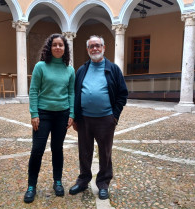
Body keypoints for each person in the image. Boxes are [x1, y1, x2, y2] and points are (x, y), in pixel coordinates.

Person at [69, 35, 128, 200]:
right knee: (84, 152)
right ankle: (83, 181)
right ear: (88, 50)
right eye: (91, 46)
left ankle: (103, 184)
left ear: (103, 48)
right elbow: (75, 93)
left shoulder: (113, 69)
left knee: (105, 152)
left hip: (105, 120)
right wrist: (76, 117)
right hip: (85, 119)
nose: (94, 49)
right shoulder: (82, 70)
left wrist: (114, 116)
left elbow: (122, 94)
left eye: (97, 45)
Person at [24, 33, 75, 203]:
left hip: (62, 114)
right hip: (43, 114)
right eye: (55, 45)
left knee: (57, 149)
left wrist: (72, 114)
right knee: (37, 149)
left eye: (61, 45)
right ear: (49, 47)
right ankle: (31, 186)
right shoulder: (40, 66)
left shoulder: (69, 69)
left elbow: (71, 92)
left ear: (65, 48)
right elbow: (33, 91)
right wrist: (34, 113)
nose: (58, 47)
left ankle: (57, 182)